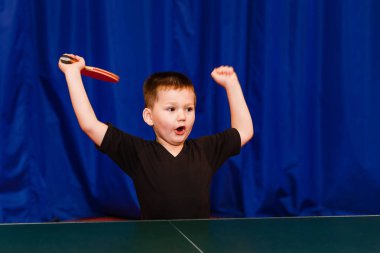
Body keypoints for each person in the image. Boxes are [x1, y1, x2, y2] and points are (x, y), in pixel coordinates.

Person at [58, 54, 253, 220]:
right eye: (171, 109)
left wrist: (232, 85)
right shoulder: (137, 153)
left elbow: (244, 131)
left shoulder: (206, 150)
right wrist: (72, 74)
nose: (182, 116)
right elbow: (90, 125)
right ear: (149, 117)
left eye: (189, 108)